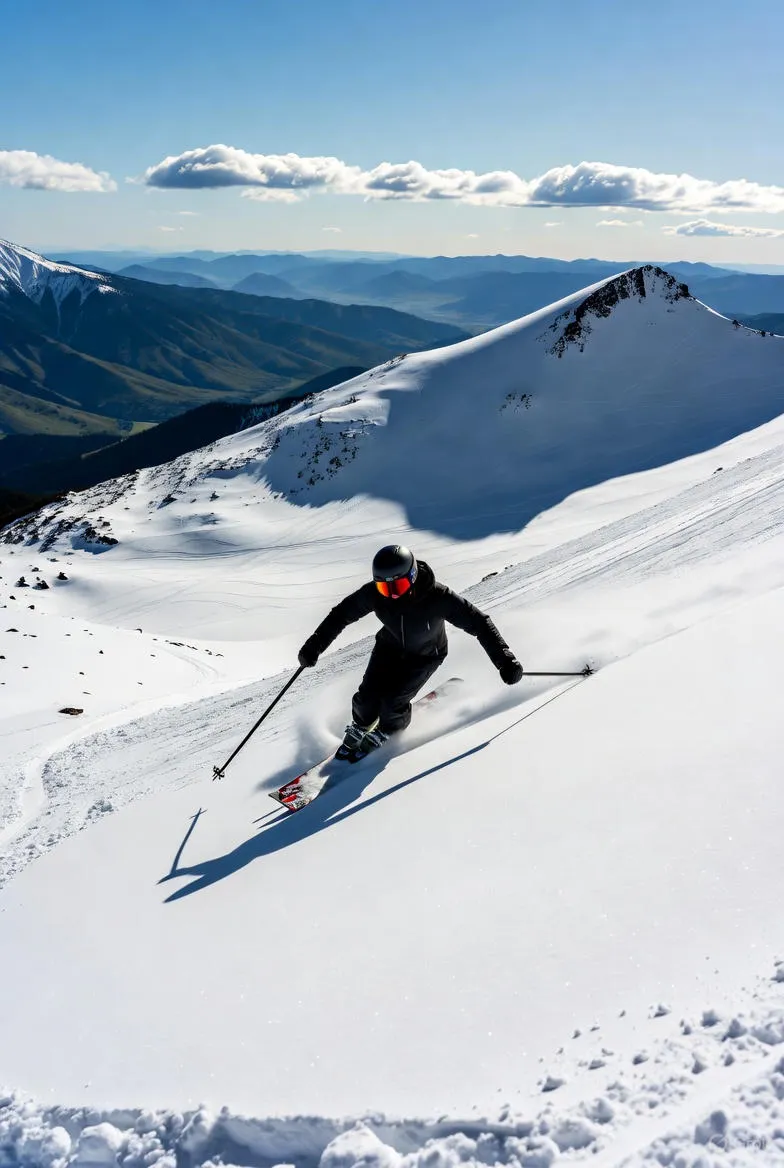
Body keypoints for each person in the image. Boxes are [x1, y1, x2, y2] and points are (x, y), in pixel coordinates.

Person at [298, 544, 523, 758]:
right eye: (385, 588)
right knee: (366, 700)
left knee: (392, 704)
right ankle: (361, 725)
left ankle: (389, 730)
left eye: (398, 587)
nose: (392, 595)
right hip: (388, 648)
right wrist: (314, 646)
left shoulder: (438, 597)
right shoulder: (374, 594)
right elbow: (341, 615)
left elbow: (479, 623)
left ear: (413, 576)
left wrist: (505, 660)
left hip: (425, 656)